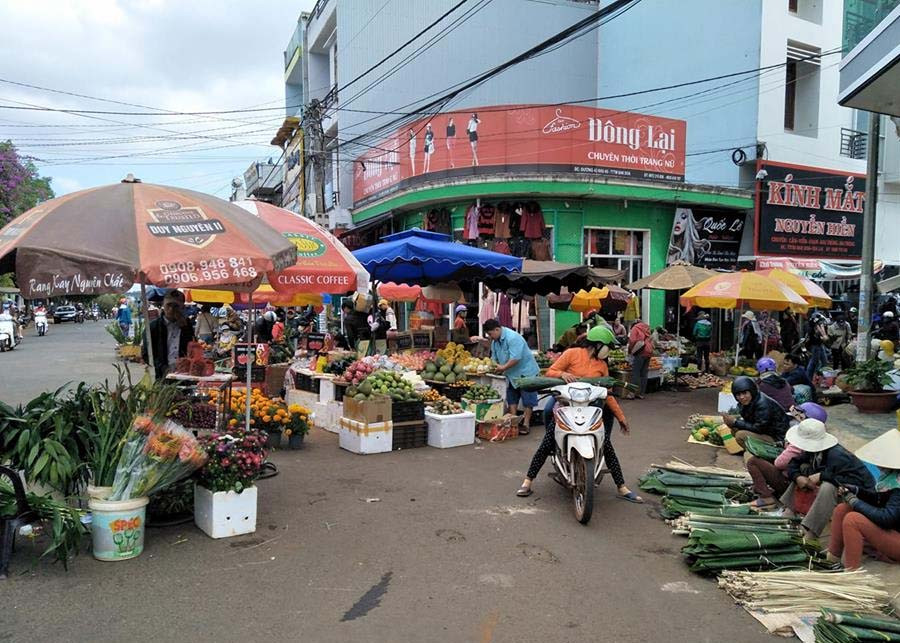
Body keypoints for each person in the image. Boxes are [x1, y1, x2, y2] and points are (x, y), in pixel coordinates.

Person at [516, 326, 642, 503]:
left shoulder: (602, 365)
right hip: (566, 406)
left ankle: (622, 487)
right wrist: (563, 374)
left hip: (591, 409)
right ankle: (528, 481)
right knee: (548, 439)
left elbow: (607, 394)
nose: (609, 351)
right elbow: (551, 372)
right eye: (608, 347)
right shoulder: (572, 353)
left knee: (605, 444)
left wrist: (621, 417)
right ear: (598, 345)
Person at [781, 419, 874, 539]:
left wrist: (822, 476)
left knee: (828, 486)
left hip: (858, 494)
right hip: (839, 484)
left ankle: (811, 530)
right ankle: (790, 510)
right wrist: (797, 477)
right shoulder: (812, 451)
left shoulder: (837, 455)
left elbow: (853, 482)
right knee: (803, 469)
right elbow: (793, 463)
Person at [827, 427, 900, 569]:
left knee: (853, 520)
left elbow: (886, 518)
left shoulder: (898, 486)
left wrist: (855, 502)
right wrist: (857, 491)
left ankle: (851, 572)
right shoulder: (890, 478)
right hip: (892, 530)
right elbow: (880, 499)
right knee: (842, 509)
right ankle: (831, 559)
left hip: (896, 536)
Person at [746, 403, 829, 511]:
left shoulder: (800, 443)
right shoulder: (821, 440)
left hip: (794, 484)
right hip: (801, 479)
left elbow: (779, 463)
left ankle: (766, 497)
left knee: (753, 462)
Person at [485, 319, 540, 435]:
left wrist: (503, 367)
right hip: (511, 374)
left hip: (526, 372)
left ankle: (526, 424)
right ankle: (513, 422)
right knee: (512, 398)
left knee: (528, 399)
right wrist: (492, 366)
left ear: (497, 329)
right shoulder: (495, 342)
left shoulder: (513, 338)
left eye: (490, 334)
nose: (490, 337)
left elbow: (515, 358)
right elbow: (494, 358)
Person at [142, 290, 195, 380]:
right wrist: (162, 368)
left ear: (182, 307)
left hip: (184, 375)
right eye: (168, 305)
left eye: (176, 306)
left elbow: (192, 347)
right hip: (162, 376)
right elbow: (147, 354)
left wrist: (185, 328)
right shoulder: (153, 327)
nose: (171, 309)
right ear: (163, 305)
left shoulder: (187, 325)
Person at [723, 376, 790, 448]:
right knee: (734, 429)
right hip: (766, 432)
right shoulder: (749, 401)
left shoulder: (763, 404)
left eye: (745, 393)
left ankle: (754, 452)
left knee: (740, 435)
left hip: (777, 438)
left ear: (752, 391)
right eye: (738, 394)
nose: (742, 397)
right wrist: (732, 422)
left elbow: (759, 428)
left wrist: (735, 422)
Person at [627, 318, 653, 398]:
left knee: (636, 373)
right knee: (644, 373)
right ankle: (641, 393)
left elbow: (632, 340)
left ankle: (632, 393)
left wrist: (630, 350)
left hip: (640, 351)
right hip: (648, 351)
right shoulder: (647, 328)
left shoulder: (635, 328)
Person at [805, 312, 830, 380]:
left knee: (824, 362)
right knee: (813, 363)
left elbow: (823, 334)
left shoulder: (816, 325)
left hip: (819, 345)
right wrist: (823, 337)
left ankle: (824, 378)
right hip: (815, 346)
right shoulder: (813, 326)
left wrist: (824, 336)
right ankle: (808, 378)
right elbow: (820, 334)